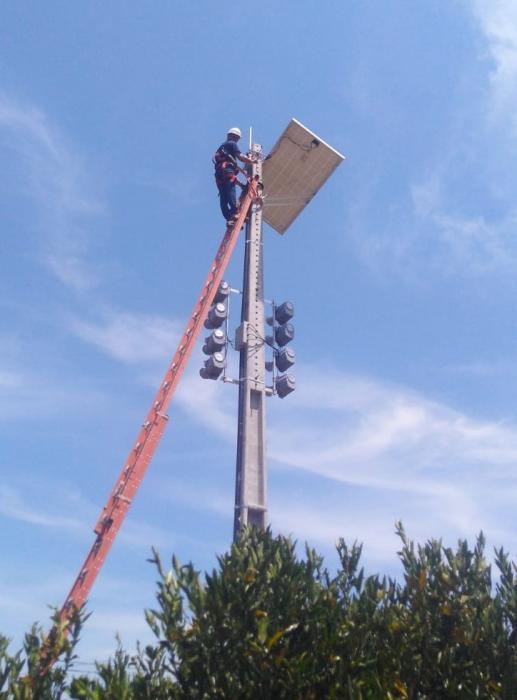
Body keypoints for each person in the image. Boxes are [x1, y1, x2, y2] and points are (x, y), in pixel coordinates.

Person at [214, 127, 255, 224]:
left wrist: (241, 186)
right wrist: (252, 161)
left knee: (224, 197)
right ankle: (236, 213)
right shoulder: (232, 144)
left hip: (219, 176)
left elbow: (232, 178)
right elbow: (240, 157)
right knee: (231, 192)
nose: (237, 140)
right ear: (235, 137)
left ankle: (229, 218)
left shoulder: (222, 148)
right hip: (226, 172)